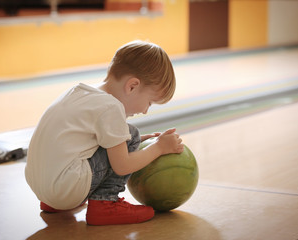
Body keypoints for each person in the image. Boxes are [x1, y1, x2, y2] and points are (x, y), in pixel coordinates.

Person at [25, 40, 184, 226]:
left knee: (129, 137)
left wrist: (137, 142)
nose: (146, 111)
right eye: (150, 102)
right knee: (130, 133)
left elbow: (85, 140)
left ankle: (57, 204)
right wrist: (158, 148)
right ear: (132, 86)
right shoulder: (111, 107)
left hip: (42, 187)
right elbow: (122, 165)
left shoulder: (79, 91)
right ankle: (105, 204)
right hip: (65, 189)